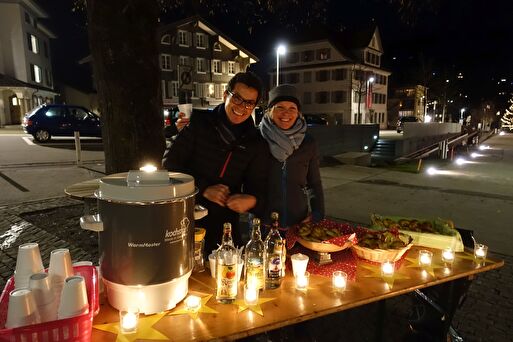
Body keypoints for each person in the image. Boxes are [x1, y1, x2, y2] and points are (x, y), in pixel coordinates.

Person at [162, 72, 270, 254]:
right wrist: (204, 188)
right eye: (237, 98)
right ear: (225, 95)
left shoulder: (255, 142)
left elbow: (259, 187)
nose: (241, 107)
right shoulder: (198, 123)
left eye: (249, 103)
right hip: (185, 217)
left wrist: (252, 201)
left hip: (224, 224)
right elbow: (169, 164)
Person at [259, 84, 324, 228]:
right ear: (270, 111)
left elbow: (314, 182)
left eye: (292, 108)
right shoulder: (258, 139)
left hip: (298, 220)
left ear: (298, 113)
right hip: (264, 223)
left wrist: (318, 212)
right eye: (280, 107)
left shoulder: (308, 142)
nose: (286, 113)